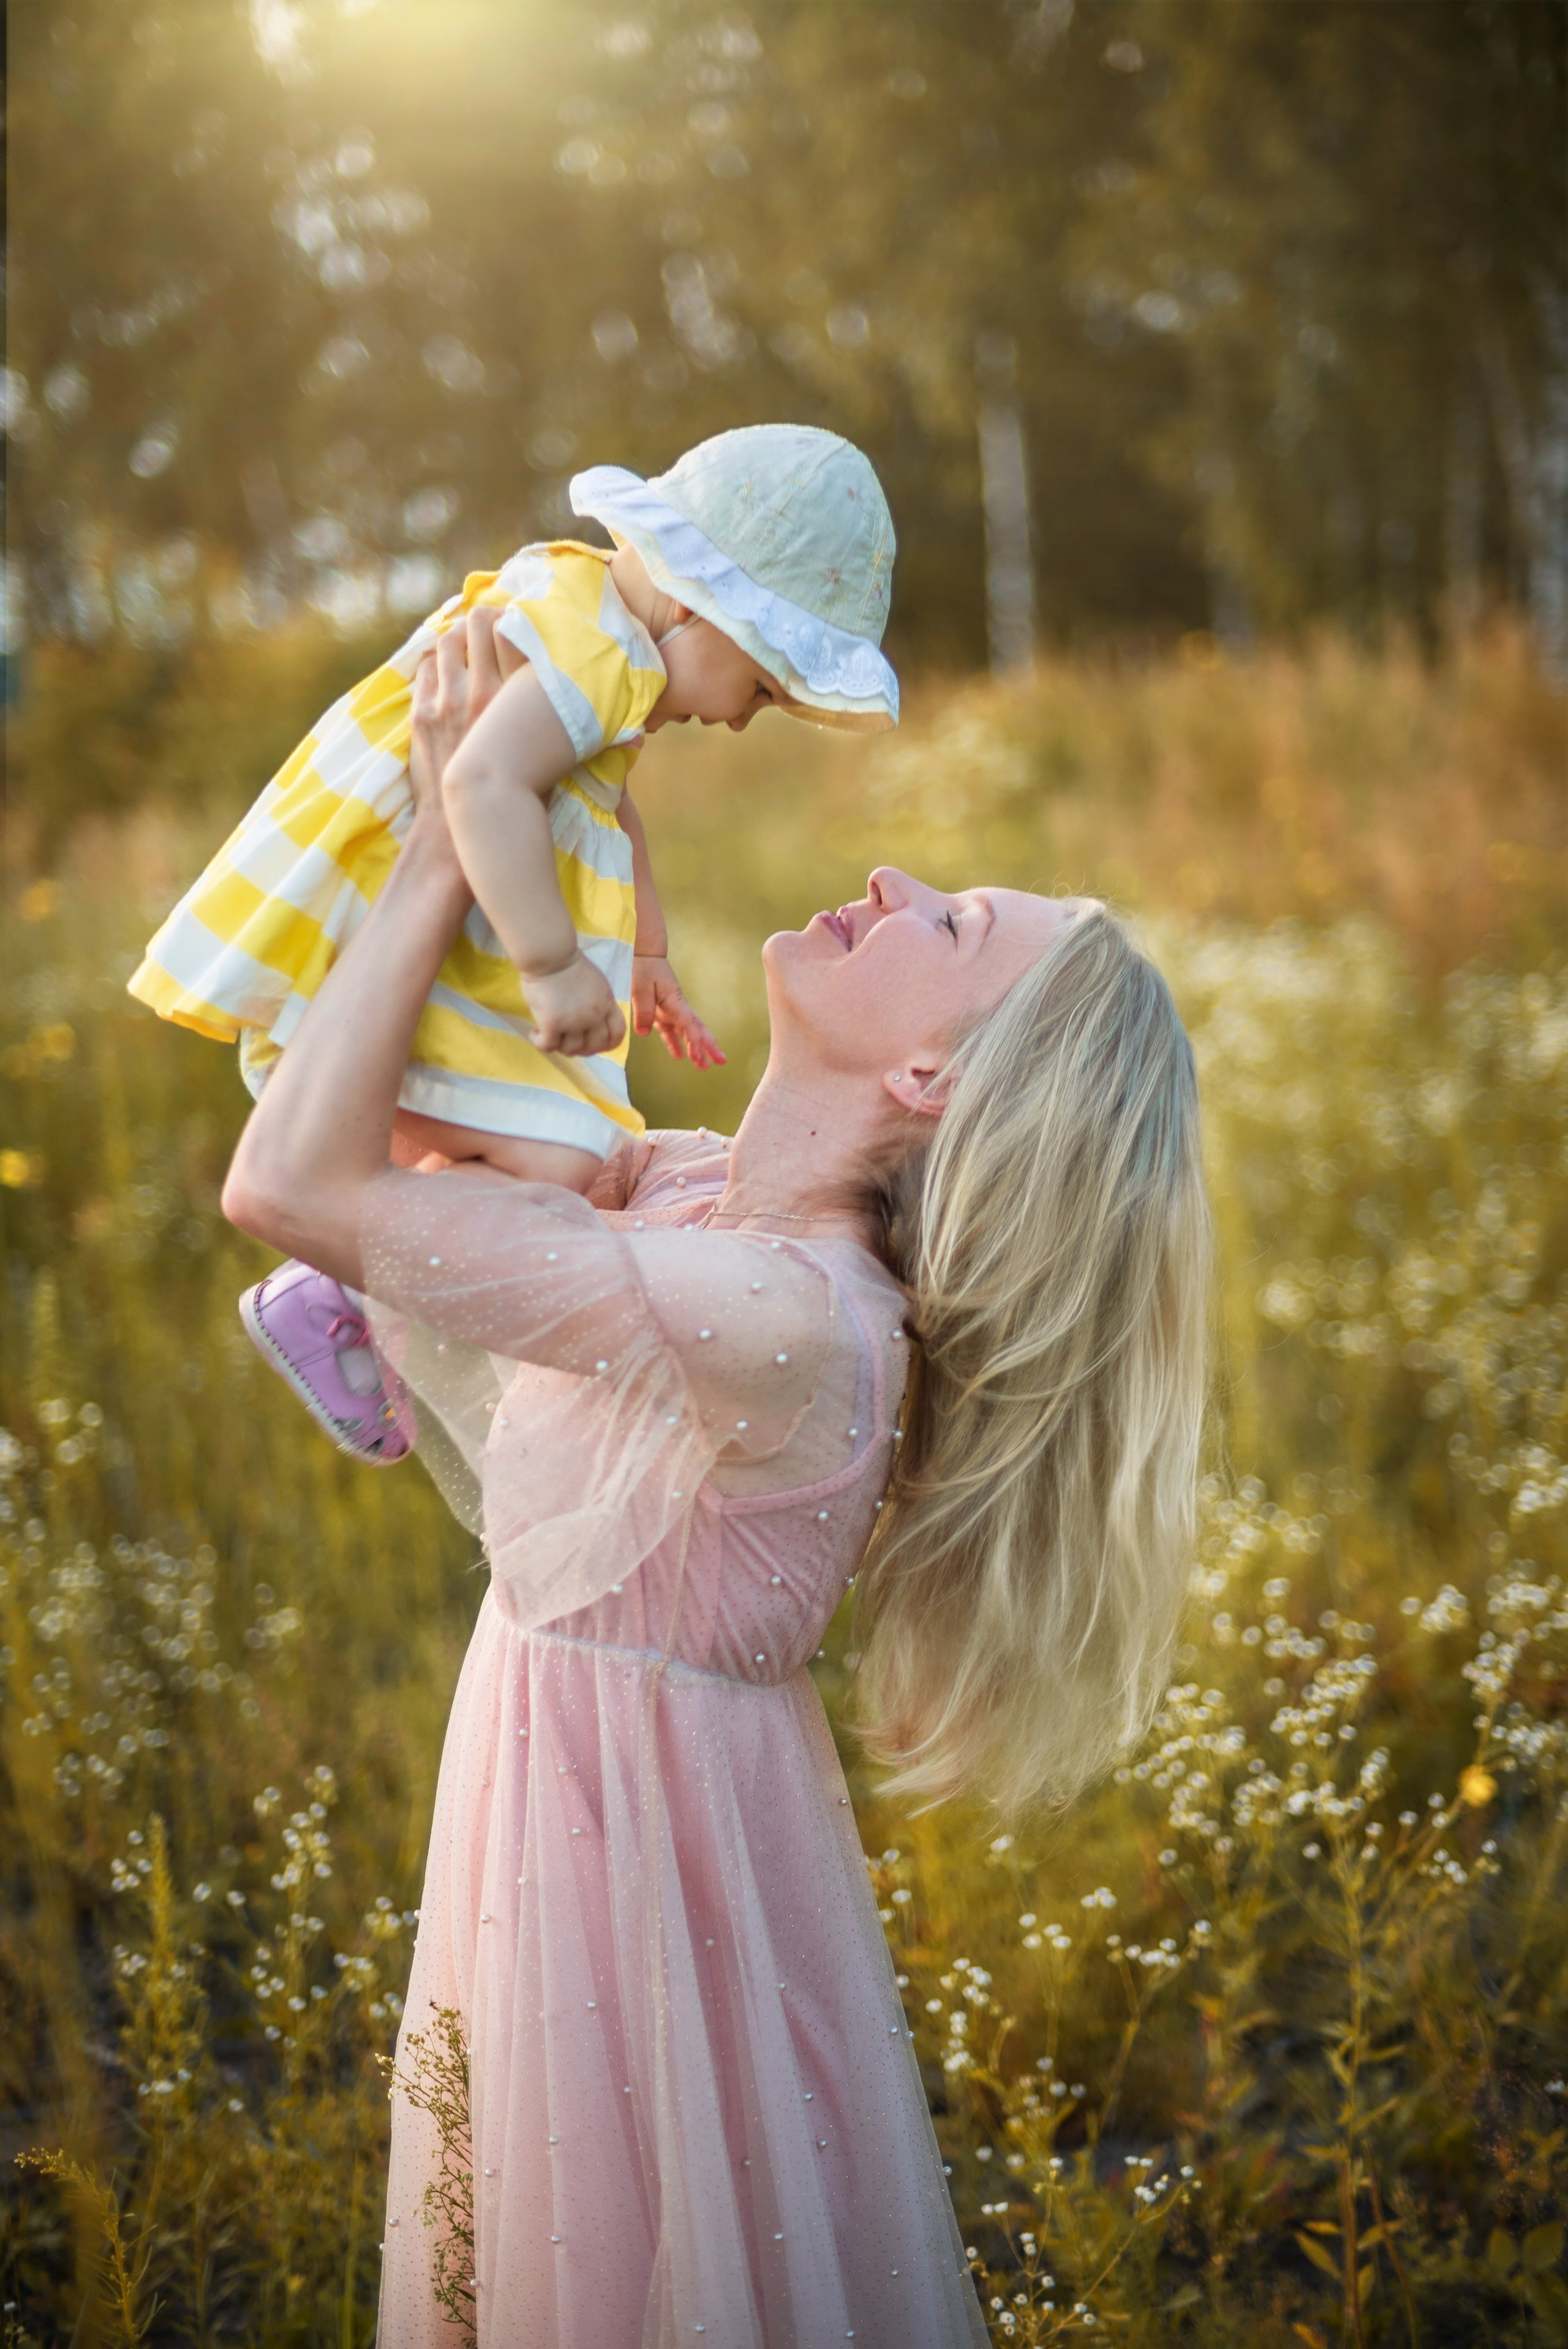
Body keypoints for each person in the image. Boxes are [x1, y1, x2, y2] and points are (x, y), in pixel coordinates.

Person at [222, 612, 1210, 2347]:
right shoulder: (682, 1191)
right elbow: (397, 1128)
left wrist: (466, 838)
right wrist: (529, 797)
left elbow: (287, 1186)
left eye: (956, 924)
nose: (898, 878)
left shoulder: (783, 1320)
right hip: (566, 1809)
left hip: (640, 1884)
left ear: (931, 1077)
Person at [132, 423, 899, 1463]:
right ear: (699, 602)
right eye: (762, 689)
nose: (742, 721)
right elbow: (483, 782)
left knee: (537, 1145)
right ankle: (340, 1285)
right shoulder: (596, 653)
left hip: (456, 892)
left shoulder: (597, 626)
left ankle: (354, 1281)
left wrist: (648, 957)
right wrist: (551, 964)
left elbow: (608, 804)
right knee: (557, 1153)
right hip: (440, 892)